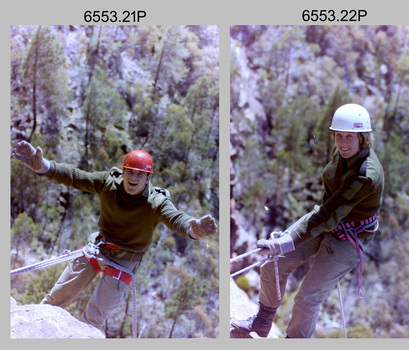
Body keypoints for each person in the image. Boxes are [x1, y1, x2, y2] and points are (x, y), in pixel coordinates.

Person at [12, 140, 217, 332]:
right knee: (55, 300)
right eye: (129, 172)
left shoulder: (156, 202)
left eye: (139, 174)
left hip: (125, 261)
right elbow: (75, 176)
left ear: (148, 178)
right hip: (98, 248)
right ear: (123, 172)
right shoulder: (108, 183)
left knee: (92, 320)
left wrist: (194, 230)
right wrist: (42, 166)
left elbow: (176, 218)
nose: (133, 178)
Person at [231, 103, 384, 338]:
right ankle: (262, 321)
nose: (342, 143)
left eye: (349, 137)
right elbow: (325, 208)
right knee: (275, 264)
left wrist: (286, 239)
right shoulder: (343, 154)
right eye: (338, 136)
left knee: (307, 297)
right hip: (326, 223)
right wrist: (286, 239)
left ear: (362, 138)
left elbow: (328, 214)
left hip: (348, 238)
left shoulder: (365, 175)